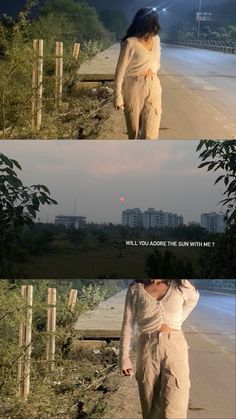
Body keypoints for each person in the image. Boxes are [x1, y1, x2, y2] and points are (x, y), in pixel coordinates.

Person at [119, 279, 200, 419]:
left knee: (176, 400)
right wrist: (124, 358)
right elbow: (128, 325)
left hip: (175, 347)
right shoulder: (135, 289)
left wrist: (176, 322)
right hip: (146, 348)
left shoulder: (179, 285)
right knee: (149, 403)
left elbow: (193, 299)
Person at [114, 7, 162, 140]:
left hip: (154, 85)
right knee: (134, 132)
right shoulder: (130, 43)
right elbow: (120, 71)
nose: (155, 26)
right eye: (152, 22)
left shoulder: (156, 39)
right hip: (134, 86)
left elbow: (156, 61)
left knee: (151, 133)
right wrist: (117, 95)